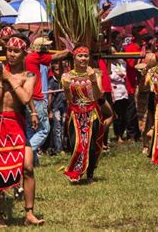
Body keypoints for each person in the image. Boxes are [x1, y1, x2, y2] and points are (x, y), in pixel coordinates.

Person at [0, 33, 44, 228]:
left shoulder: (29, 75)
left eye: (16, 51)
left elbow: (26, 98)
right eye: (9, 50)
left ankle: (29, 213)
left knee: (27, 168)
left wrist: (9, 76)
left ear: (24, 53)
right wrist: (2, 77)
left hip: (16, 124)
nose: (11, 54)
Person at [62, 44, 104, 183]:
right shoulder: (67, 76)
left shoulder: (96, 73)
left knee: (91, 146)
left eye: (86, 56)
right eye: (80, 56)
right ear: (74, 58)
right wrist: (67, 89)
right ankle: (76, 172)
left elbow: (98, 96)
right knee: (76, 144)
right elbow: (69, 100)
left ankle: (90, 173)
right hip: (75, 114)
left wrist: (93, 81)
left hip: (92, 113)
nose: (83, 58)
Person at [25, 37, 70, 165]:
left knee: (30, 130)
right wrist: (69, 50)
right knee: (44, 129)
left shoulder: (29, 57)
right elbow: (58, 56)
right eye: (47, 46)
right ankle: (25, 153)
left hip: (28, 97)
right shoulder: (36, 56)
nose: (49, 48)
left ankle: (33, 162)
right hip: (37, 98)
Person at [48, 62, 66, 155]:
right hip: (56, 108)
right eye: (56, 70)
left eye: (60, 69)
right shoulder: (52, 81)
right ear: (53, 71)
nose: (59, 72)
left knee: (63, 127)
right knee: (57, 128)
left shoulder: (64, 80)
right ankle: (58, 148)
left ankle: (63, 146)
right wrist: (50, 110)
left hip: (64, 106)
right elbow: (50, 96)